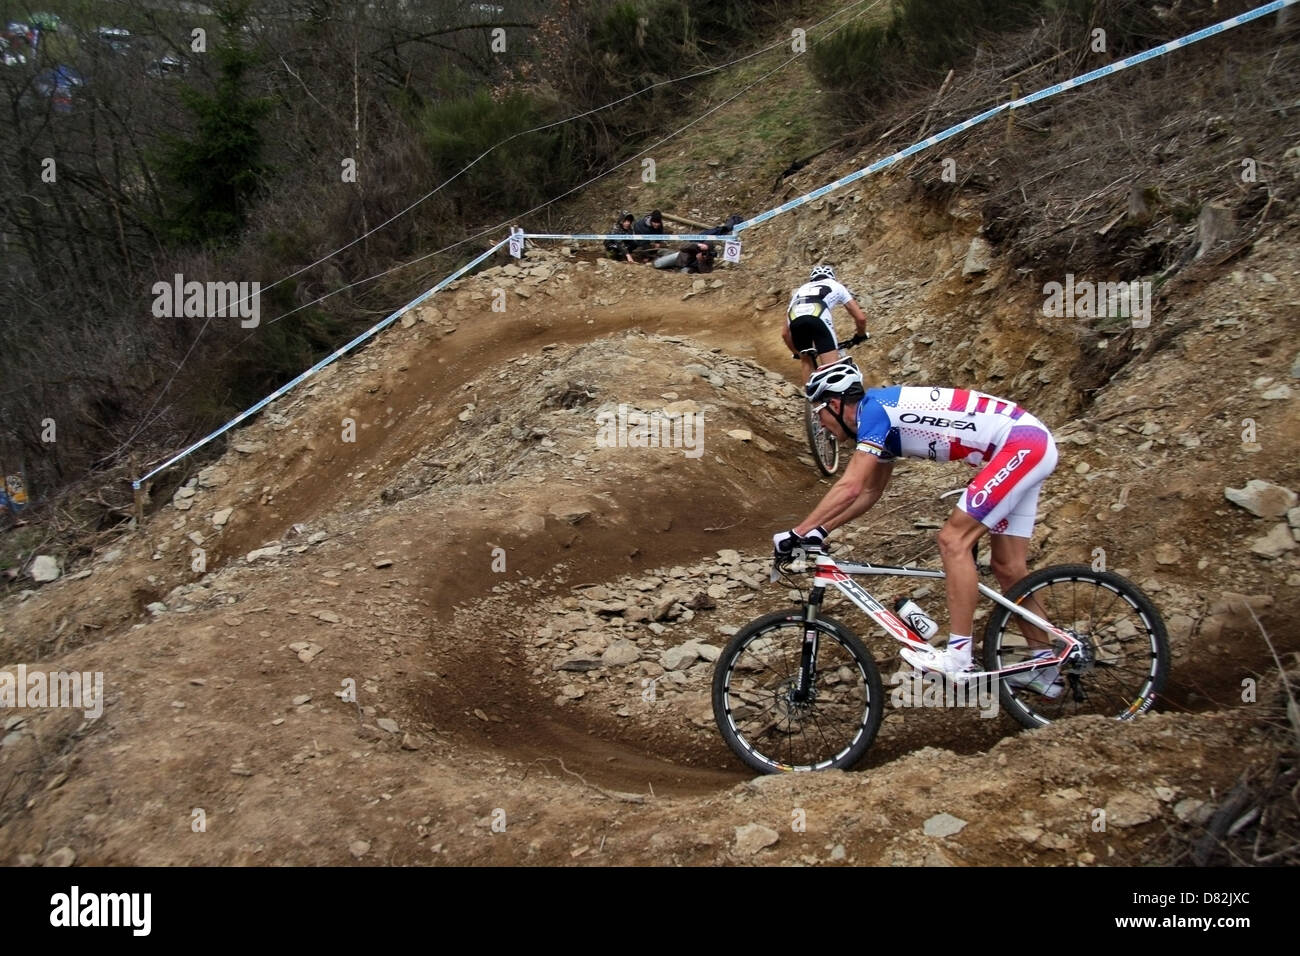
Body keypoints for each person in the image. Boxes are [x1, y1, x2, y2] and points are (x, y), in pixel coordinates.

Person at [773, 363, 1063, 694]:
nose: (819, 424)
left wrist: (797, 532)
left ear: (836, 405)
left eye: (819, 413)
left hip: (1021, 445)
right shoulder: (877, 420)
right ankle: (1046, 665)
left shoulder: (874, 413)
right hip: (1026, 444)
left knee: (953, 540)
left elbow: (851, 486)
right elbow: (870, 492)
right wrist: (819, 531)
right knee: (1008, 568)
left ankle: (958, 658)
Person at [784, 264, 869, 382]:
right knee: (831, 367)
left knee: (806, 361)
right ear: (832, 277)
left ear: (812, 279)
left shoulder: (801, 289)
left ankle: (812, 399)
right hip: (818, 315)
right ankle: (834, 396)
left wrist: (797, 353)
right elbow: (861, 318)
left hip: (796, 318)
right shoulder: (836, 285)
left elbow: (785, 333)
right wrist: (860, 335)